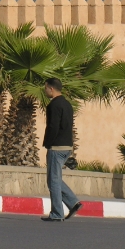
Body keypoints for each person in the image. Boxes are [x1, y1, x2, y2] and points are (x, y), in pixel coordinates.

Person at [41, 79, 82, 221]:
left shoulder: (54, 105)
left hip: (56, 147)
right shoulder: (67, 104)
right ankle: (73, 203)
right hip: (67, 146)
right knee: (55, 179)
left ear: (51, 89)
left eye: (45, 88)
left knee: (53, 180)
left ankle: (57, 213)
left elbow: (53, 126)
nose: (44, 90)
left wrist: (47, 143)